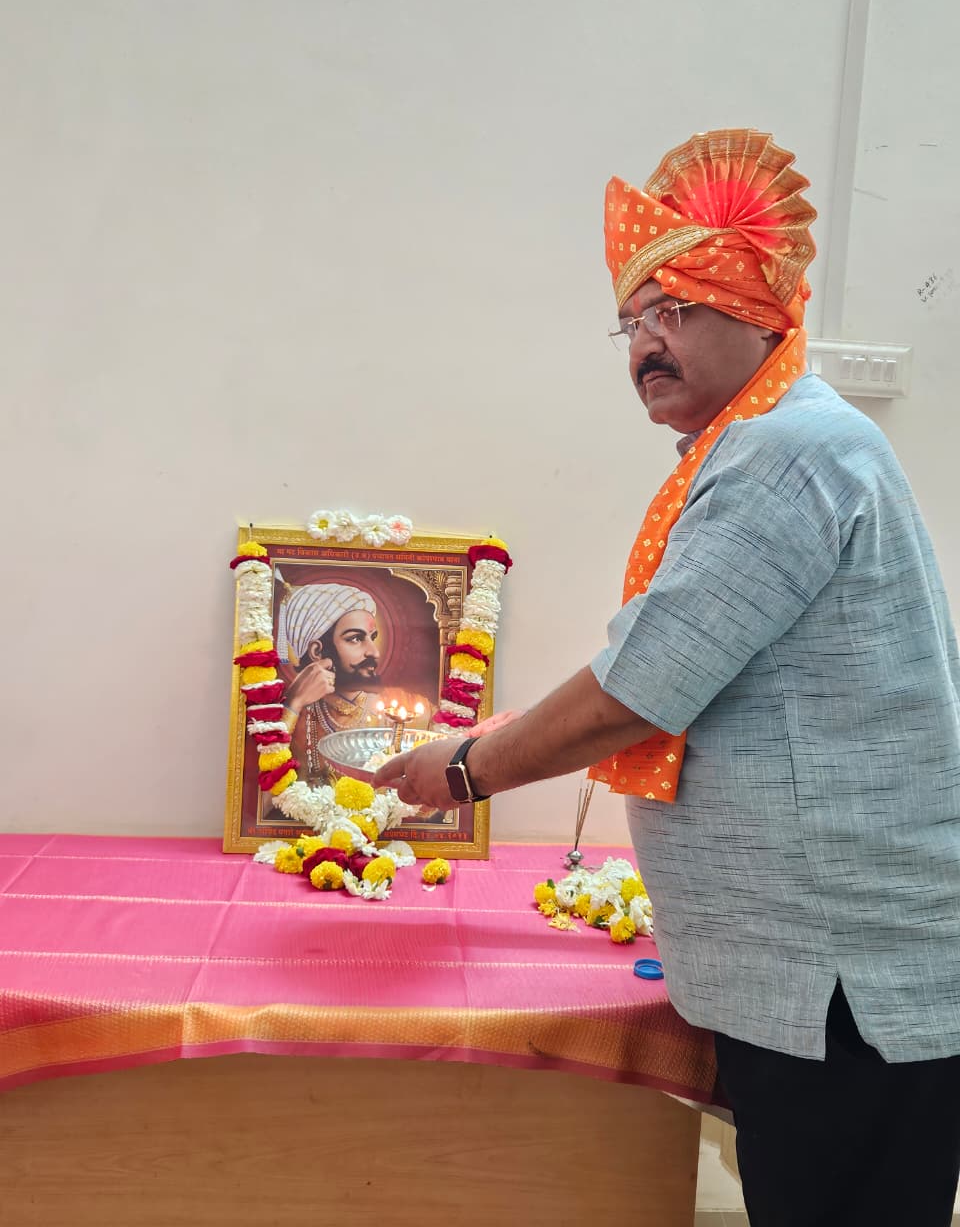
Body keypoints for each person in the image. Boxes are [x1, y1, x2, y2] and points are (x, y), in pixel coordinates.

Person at [374, 129, 960, 1226]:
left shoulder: (786, 451)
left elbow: (639, 690)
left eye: (677, 310)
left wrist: (465, 769)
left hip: (842, 976)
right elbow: (674, 660)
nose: (646, 341)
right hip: (827, 964)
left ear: (760, 313)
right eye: (633, 319)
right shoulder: (765, 445)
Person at [276, 580, 432, 785]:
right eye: (355, 639)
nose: (374, 652)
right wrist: (294, 704)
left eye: (372, 638)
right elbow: (268, 788)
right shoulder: (291, 717)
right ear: (317, 651)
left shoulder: (406, 707)